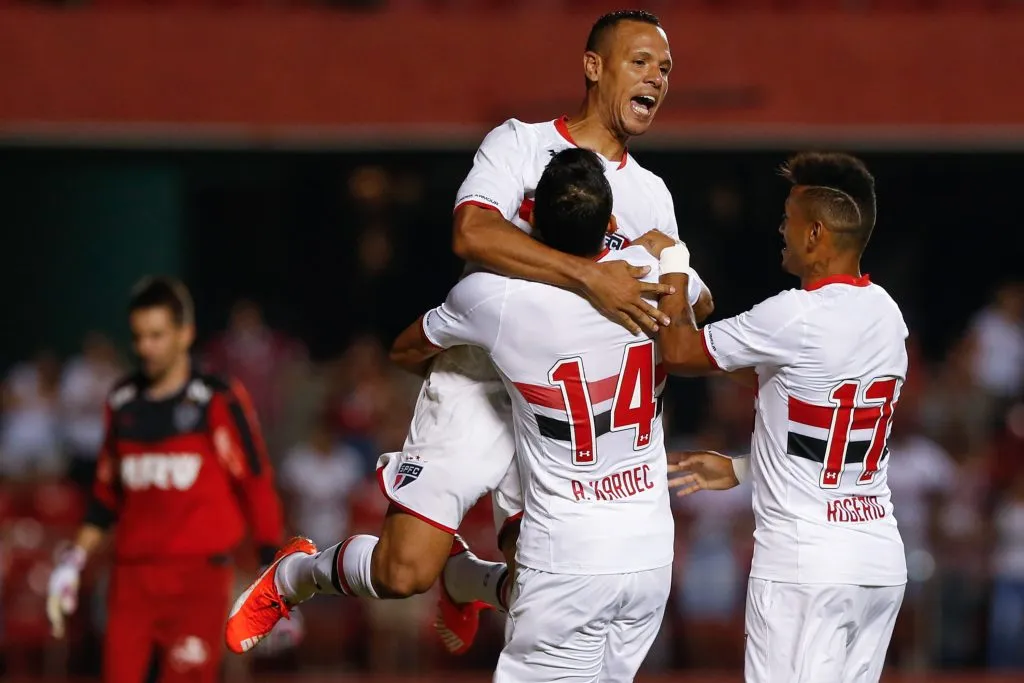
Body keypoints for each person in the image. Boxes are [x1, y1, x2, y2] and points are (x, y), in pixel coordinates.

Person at [224, 9, 713, 656]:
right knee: (403, 572)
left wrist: (675, 279)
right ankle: (297, 572)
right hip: (478, 381)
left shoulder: (651, 194)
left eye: (666, 67)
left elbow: (680, 312)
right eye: (641, 61)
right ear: (593, 66)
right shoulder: (520, 143)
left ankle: (469, 580)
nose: (657, 76)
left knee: (546, 589)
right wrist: (591, 277)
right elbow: (473, 231)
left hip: (563, 409)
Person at [651, 152, 908, 683]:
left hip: (805, 568)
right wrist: (746, 469)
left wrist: (673, 261)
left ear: (815, 232)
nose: (780, 230)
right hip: (877, 563)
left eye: (788, 219)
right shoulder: (888, 315)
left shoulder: (793, 315)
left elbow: (677, 351)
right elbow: (811, 405)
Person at [46, 277, 286, 683]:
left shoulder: (219, 399)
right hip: (132, 581)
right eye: (139, 337)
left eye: (157, 335)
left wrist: (273, 576)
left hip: (199, 580)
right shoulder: (122, 402)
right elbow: (106, 498)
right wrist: (72, 562)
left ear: (185, 333)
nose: (146, 348)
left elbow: (256, 484)